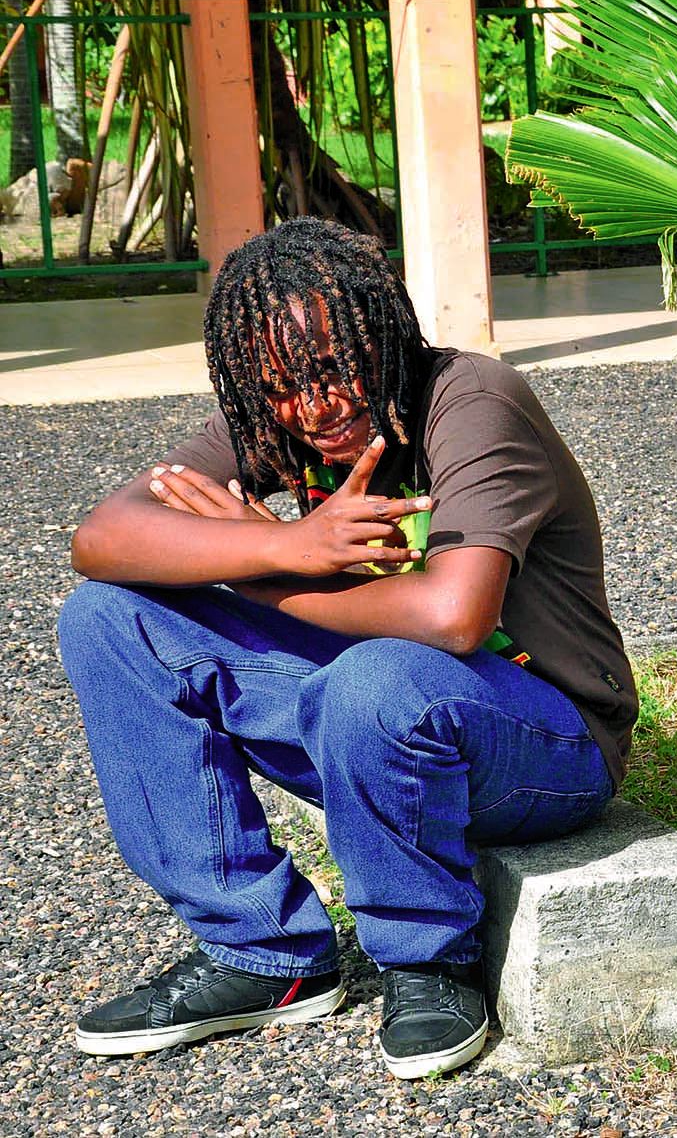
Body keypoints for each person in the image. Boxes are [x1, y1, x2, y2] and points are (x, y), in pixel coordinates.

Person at [59, 218, 636, 1079]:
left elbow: (453, 617)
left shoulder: (470, 400)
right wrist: (289, 545)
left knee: (377, 676)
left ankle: (427, 959)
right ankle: (261, 953)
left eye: (332, 369)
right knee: (109, 619)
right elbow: (103, 538)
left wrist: (266, 576)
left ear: (385, 334)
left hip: (544, 741)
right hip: (375, 716)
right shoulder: (277, 417)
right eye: (281, 386)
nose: (314, 407)